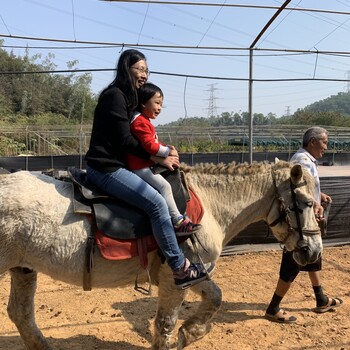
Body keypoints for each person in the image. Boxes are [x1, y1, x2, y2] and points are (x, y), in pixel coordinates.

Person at [85, 49, 214, 290]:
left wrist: (159, 156)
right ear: (127, 68)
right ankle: (179, 267)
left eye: (146, 70)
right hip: (105, 168)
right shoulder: (115, 96)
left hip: (117, 165)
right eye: (140, 69)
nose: (144, 74)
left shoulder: (127, 97)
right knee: (155, 202)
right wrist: (159, 156)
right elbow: (125, 141)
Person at [265, 126, 343, 323]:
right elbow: (298, 192)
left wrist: (319, 196)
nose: (326, 146)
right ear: (312, 142)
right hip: (301, 220)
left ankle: (321, 298)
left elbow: (306, 189)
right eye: (324, 141)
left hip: (306, 217)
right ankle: (273, 307)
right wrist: (315, 204)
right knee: (295, 260)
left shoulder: (307, 160)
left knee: (313, 254)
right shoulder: (302, 161)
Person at [127, 82, 201, 235]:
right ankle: (178, 221)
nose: (160, 107)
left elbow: (152, 143)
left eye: (161, 104)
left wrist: (167, 147)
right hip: (139, 168)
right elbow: (151, 147)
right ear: (143, 103)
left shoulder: (144, 121)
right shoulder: (140, 122)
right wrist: (168, 151)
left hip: (144, 165)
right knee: (165, 186)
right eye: (157, 103)